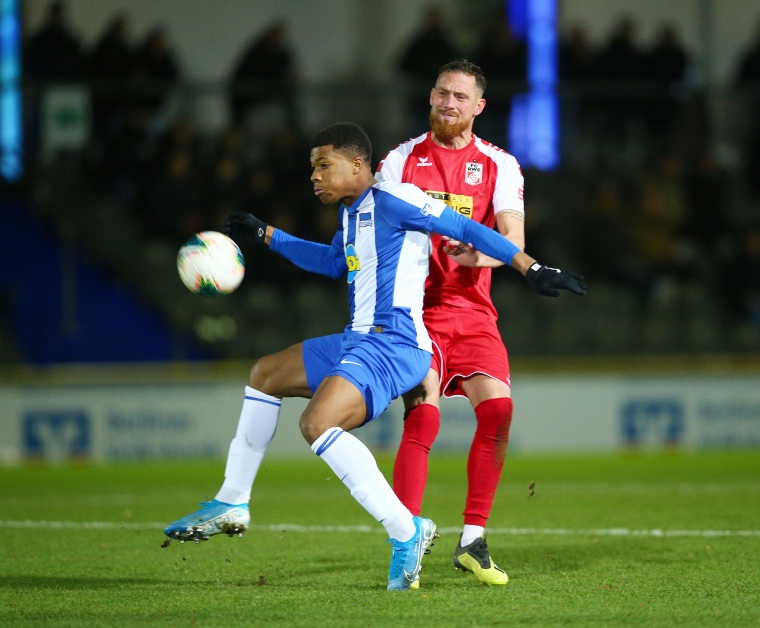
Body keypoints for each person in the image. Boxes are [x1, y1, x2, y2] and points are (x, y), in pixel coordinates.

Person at [164, 122, 586, 590]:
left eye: (324, 165)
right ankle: (232, 499)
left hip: (395, 343)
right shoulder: (350, 213)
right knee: (264, 373)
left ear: (358, 165)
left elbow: (463, 225)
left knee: (316, 424)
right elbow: (331, 263)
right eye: (312, 168)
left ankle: (406, 532)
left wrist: (530, 267)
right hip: (359, 338)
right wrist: (266, 235)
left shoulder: (395, 199)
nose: (315, 177)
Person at [373, 59, 535, 587]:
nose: (449, 103)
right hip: (415, 311)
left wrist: (482, 257)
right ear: (430, 96)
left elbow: (512, 239)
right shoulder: (399, 160)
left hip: (472, 312)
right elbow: (376, 231)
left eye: (461, 97)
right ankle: (406, 542)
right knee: (423, 417)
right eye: (442, 92)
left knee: (500, 412)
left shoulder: (500, 164)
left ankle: (472, 541)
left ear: (478, 107)